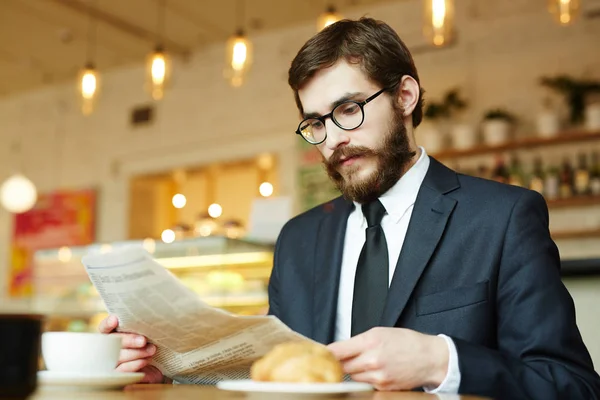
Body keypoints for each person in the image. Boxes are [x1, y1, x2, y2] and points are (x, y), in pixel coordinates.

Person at [99, 17, 600, 398]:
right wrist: (168, 372)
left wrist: (441, 361)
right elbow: (274, 374)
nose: (334, 140)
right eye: (316, 123)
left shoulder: (503, 217)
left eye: (348, 110)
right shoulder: (298, 240)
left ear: (405, 95)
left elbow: (573, 384)